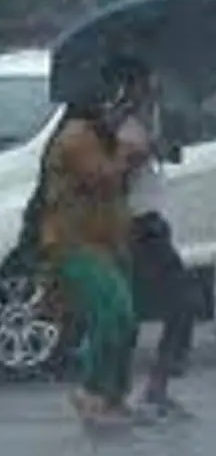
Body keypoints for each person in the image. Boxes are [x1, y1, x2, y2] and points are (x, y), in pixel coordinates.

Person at [40, 66, 147, 431]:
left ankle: (113, 395)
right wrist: (128, 149)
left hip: (106, 239)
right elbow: (102, 177)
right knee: (111, 313)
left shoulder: (100, 135)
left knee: (125, 319)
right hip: (75, 242)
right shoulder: (76, 136)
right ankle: (92, 391)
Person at [113, 58, 199, 421]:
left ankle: (152, 388)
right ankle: (137, 391)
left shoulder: (147, 118)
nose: (156, 86)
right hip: (135, 227)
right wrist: (141, 150)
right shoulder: (121, 122)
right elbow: (115, 171)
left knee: (166, 307)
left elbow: (161, 153)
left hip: (149, 224)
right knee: (177, 304)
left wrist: (160, 145)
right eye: (150, 81)